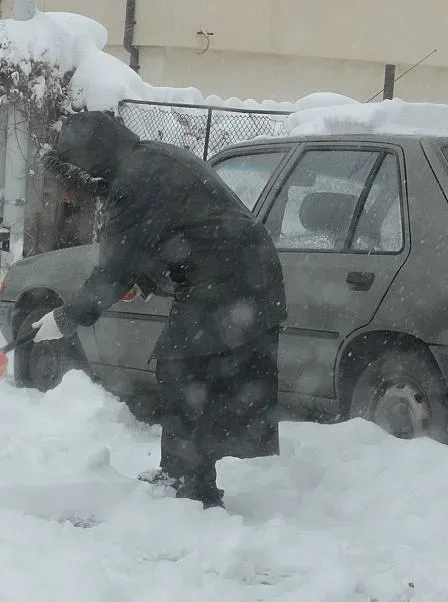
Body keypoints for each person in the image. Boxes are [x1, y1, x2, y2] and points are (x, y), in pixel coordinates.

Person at [32, 110, 287, 509]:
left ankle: (190, 487)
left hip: (228, 283)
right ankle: (187, 477)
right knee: (196, 374)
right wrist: (148, 280)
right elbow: (171, 232)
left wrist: (66, 317)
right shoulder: (151, 159)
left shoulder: (133, 183)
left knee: (182, 371)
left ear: (88, 166)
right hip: (247, 277)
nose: (67, 194)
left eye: (69, 181)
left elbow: (114, 269)